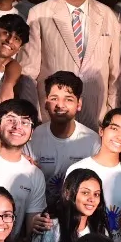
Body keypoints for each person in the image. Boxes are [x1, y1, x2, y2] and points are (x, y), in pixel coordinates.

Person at [21, 0, 121, 125]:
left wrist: (110, 119)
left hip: (96, 119)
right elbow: (28, 72)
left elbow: (115, 76)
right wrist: (32, 119)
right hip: (51, 118)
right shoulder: (39, 14)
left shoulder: (110, 16)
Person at [67, 107, 121, 234]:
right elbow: (67, 213)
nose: (120, 137)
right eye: (114, 129)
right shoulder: (78, 169)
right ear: (101, 130)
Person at [29, 71, 99, 202]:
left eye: (68, 99)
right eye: (54, 98)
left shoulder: (92, 140)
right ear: (45, 103)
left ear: (79, 104)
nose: (60, 105)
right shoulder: (34, 136)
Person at [0, 99, 48, 240]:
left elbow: (31, 226)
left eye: (25, 122)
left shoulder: (35, 174)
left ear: (31, 133)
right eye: (10, 120)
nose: (17, 126)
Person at [31, 166, 106, 242]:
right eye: (85, 193)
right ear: (67, 193)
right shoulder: (50, 226)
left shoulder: (100, 229)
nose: (92, 199)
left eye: (96, 194)